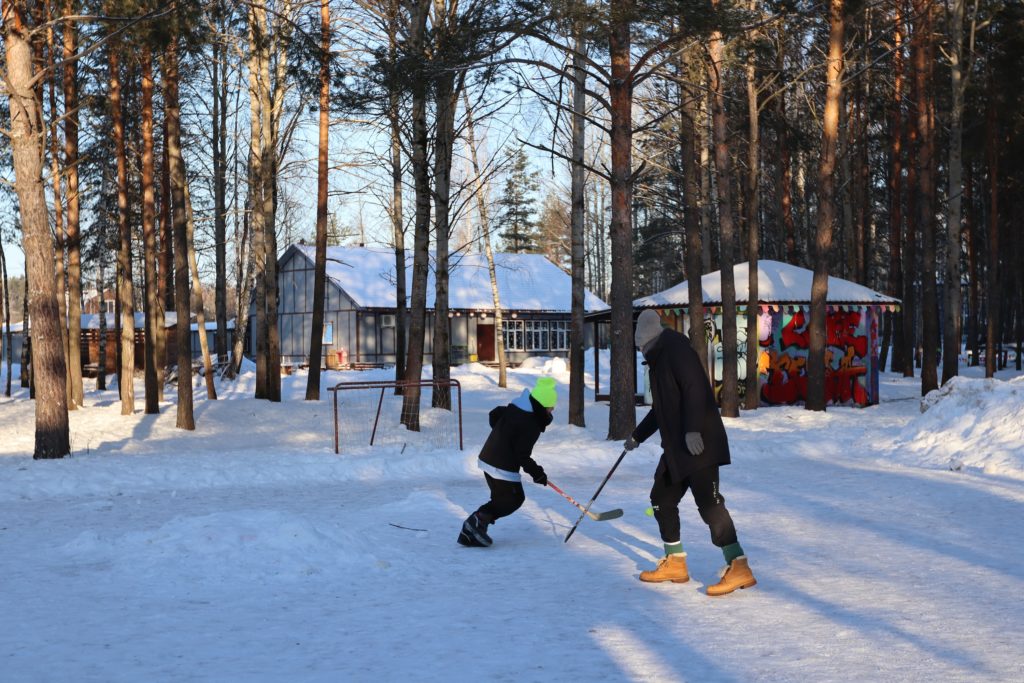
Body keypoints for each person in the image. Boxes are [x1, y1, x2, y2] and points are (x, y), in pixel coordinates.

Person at [625, 309, 757, 596]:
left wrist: (693, 429)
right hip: (676, 448)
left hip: (699, 443)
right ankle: (675, 562)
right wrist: (638, 435)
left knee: (709, 504)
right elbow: (661, 409)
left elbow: (696, 388)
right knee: (661, 498)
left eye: (641, 347)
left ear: (650, 340)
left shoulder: (676, 351)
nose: (641, 353)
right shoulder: (658, 361)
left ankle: (738, 565)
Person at [459, 376, 558, 547]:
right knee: (513, 499)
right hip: (500, 465)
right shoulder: (531, 423)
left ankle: (473, 531)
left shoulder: (518, 409)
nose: (552, 411)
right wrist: (538, 474)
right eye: (550, 408)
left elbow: (495, 413)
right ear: (543, 406)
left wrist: (502, 434)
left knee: (502, 499)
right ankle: (476, 521)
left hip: (489, 458)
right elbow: (522, 455)